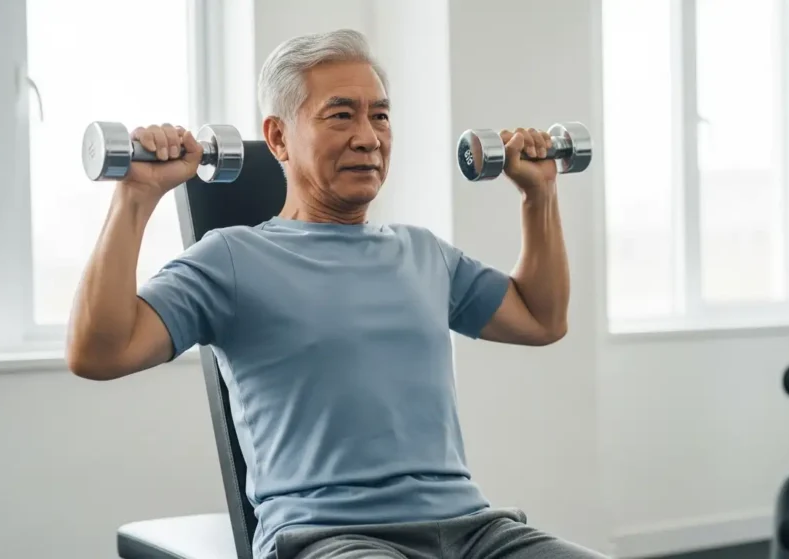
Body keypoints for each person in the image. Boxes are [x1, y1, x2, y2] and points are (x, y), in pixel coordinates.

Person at [66, 28, 606, 559]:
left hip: (474, 532)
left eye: (381, 116)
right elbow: (99, 351)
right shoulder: (232, 258)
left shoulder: (424, 253)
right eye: (342, 114)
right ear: (278, 137)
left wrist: (540, 195)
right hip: (330, 537)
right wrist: (135, 196)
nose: (369, 137)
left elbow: (541, 319)